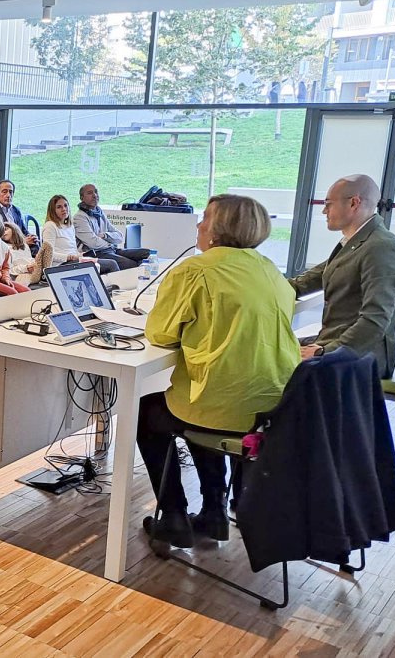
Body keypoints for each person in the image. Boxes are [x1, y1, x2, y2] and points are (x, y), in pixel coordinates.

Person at [138, 195, 299, 547]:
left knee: (150, 414)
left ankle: (174, 515)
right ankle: (213, 511)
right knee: (196, 409)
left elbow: (160, 332)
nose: (198, 225)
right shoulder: (271, 270)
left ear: (220, 228)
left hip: (221, 405)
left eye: (205, 218)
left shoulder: (196, 271)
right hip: (272, 406)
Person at [288, 174, 395, 379]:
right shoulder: (357, 241)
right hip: (337, 341)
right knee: (270, 348)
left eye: (328, 204)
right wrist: (269, 286)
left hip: (363, 355)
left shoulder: (381, 248)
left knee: (273, 363)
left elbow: (375, 321)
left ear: (354, 203)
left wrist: (324, 351)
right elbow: (314, 278)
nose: (324, 211)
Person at [75, 184, 149, 270]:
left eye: (96, 192)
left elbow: (119, 236)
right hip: (97, 253)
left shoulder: (99, 212)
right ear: (82, 198)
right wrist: (110, 243)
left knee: (147, 253)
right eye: (89, 193)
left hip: (111, 249)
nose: (95, 195)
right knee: (131, 264)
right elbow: (93, 243)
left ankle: (139, 275)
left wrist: (105, 235)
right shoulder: (79, 217)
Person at [42, 195, 114, 273]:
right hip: (61, 265)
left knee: (110, 262)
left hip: (74, 261)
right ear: (52, 210)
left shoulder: (69, 226)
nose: (64, 209)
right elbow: (47, 254)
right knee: (110, 265)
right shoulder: (50, 226)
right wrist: (68, 257)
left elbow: (72, 249)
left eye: (65, 205)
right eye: (59, 207)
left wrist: (80, 254)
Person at [0, 180, 36, 250]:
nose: (8, 195)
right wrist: (22, 242)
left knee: (35, 243)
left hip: (20, 243)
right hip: (6, 248)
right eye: (4, 192)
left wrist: (30, 237)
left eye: (11, 192)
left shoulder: (16, 210)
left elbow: (23, 230)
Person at [4, 221, 47, 286]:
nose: (3, 233)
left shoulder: (24, 245)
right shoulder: (5, 248)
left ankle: (45, 274)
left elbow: (28, 259)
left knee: (47, 247)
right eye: (1, 231)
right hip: (21, 274)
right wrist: (26, 268)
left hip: (35, 269)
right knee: (21, 283)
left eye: (5, 229)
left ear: (13, 229)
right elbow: (10, 270)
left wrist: (34, 262)